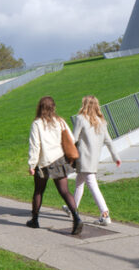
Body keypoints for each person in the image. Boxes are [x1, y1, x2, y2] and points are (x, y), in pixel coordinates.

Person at [26, 95, 83, 234]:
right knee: (64, 191)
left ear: (39, 108)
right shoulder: (60, 121)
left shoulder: (37, 124)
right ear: (53, 107)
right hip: (59, 160)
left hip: (44, 162)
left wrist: (31, 165)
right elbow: (71, 138)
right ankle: (76, 217)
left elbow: (35, 146)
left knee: (38, 191)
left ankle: (35, 220)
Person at [66, 96, 122, 226]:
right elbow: (108, 141)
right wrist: (116, 157)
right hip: (93, 160)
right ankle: (72, 209)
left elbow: (73, 139)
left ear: (84, 105)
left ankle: (105, 214)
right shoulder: (101, 121)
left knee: (92, 185)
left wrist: (65, 153)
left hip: (83, 159)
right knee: (79, 183)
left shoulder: (80, 119)